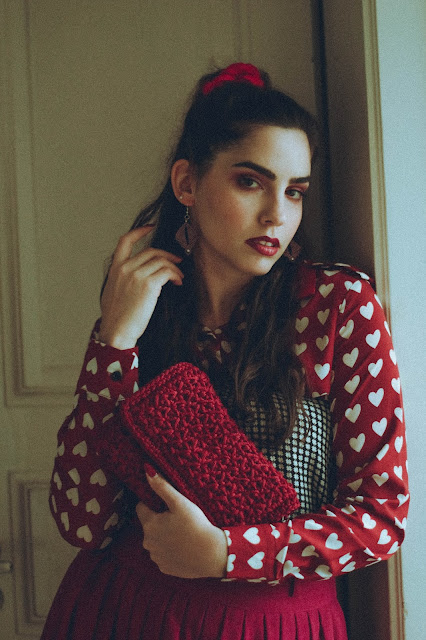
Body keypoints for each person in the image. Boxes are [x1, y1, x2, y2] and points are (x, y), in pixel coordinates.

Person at [41, 63, 409, 640]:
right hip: (125, 610)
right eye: (250, 182)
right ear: (187, 183)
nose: (278, 214)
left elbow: (381, 518)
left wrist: (228, 554)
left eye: (295, 191)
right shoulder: (142, 305)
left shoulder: (337, 306)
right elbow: (82, 521)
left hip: (274, 622)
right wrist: (114, 342)